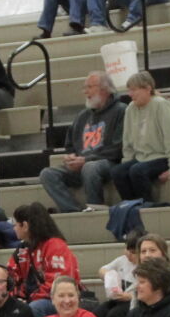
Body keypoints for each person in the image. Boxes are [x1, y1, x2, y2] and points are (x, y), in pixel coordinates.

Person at [39, 73, 124, 215]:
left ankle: (95, 208)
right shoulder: (82, 116)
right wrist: (70, 157)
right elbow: (70, 145)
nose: (86, 91)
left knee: (90, 167)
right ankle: (73, 210)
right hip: (83, 164)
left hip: (110, 163)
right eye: (85, 87)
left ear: (105, 89)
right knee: (47, 174)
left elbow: (117, 149)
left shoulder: (121, 110)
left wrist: (86, 160)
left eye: (90, 87)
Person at [113, 72, 170, 202]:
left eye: (134, 90)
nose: (130, 94)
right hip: (142, 158)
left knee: (137, 171)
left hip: (162, 157)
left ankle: (147, 205)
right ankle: (131, 206)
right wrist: (127, 162)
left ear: (147, 88)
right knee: (118, 172)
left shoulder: (161, 105)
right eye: (129, 90)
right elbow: (127, 140)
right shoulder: (130, 109)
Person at [7, 203, 80, 317]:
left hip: (58, 300)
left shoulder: (55, 246)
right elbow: (10, 277)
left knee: (35, 307)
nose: (14, 228)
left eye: (16, 224)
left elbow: (59, 283)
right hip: (31, 299)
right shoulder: (22, 250)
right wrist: (13, 299)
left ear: (25, 226)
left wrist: (29, 299)